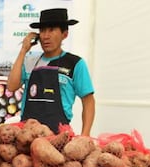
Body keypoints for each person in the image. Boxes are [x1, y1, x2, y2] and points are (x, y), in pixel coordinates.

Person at [7, 8, 95, 136]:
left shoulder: (75, 63)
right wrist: (23, 51)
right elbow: (12, 86)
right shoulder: (29, 61)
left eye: (51, 30)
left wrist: (85, 135)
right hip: (27, 136)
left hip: (59, 137)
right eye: (42, 31)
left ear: (65, 34)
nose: (45, 36)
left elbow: (88, 101)